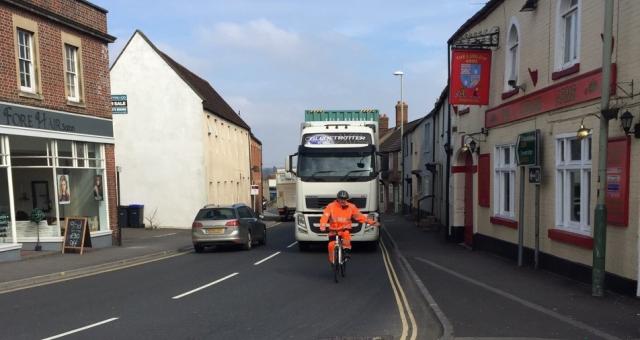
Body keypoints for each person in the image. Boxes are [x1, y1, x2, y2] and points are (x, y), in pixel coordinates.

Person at [319, 190, 379, 262]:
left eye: (344, 199)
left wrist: (371, 222)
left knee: (346, 235)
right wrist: (322, 226)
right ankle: (333, 261)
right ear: (337, 199)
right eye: (341, 199)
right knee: (331, 245)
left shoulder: (351, 207)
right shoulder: (330, 206)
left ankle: (346, 252)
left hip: (345, 229)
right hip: (333, 230)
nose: (343, 201)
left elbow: (360, 217)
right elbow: (325, 217)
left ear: (347, 199)